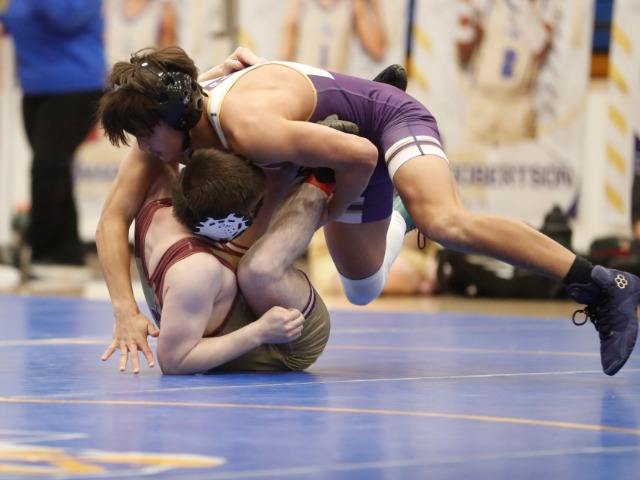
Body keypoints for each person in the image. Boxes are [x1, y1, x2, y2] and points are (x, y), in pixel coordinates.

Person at [97, 46, 639, 377]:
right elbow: (110, 221)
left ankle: (602, 284)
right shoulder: (172, 125)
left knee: (445, 221)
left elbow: (361, 156)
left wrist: (319, 212)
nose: (143, 149)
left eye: (145, 136)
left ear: (176, 116)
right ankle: (396, 211)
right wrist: (124, 309)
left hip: (381, 126)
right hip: (331, 143)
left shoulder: (248, 129)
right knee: (361, 287)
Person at [120, 147, 330, 374]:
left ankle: (300, 167)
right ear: (224, 224)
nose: (254, 216)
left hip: (224, 297)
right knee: (257, 270)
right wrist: (259, 331)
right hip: (287, 343)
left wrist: (124, 311)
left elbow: (109, 221)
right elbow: (173, 361)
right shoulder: (196, 271)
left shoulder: (156, 205)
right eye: (252, 212)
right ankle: (322, 181)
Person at [0, 1, 106, 280]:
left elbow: (66, 17)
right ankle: (66, 256)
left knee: (47, 168)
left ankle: (46, 255)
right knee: (55, 171)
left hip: (76, 87)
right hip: (34, 88)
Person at [455, 0, 556, 146]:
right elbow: (463, 56)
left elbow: (541, 49)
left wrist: (521, 9)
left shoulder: (546, 5)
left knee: (520, 160)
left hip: (518, 106)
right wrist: (466, 14)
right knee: (470, 158)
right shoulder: (487, 4)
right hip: (483, 102)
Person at [280, 0, 386, 73]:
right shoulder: (300, 3)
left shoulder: (353, 4)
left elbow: (377, 49)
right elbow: (285, 57)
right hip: (305, 86)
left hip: (335, 89)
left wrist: (375, 5)